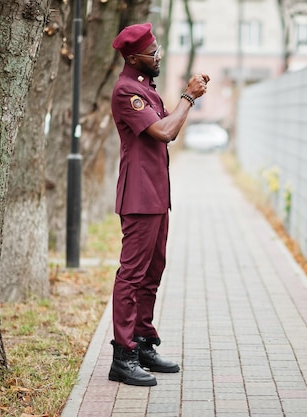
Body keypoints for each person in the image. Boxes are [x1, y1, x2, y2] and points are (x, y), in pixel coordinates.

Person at [109, 22, 209, 386]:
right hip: (138, 197)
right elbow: (165, 132)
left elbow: (166, 129)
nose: (159, 56)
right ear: (135, 58)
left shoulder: (145, 90)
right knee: (132, 275)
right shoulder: (126, 92)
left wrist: (184, 100)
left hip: (156, 195)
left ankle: (144, 342)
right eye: (153, 54)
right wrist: (189, 97)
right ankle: (123, 355)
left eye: (159, 49)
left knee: (152, 273)